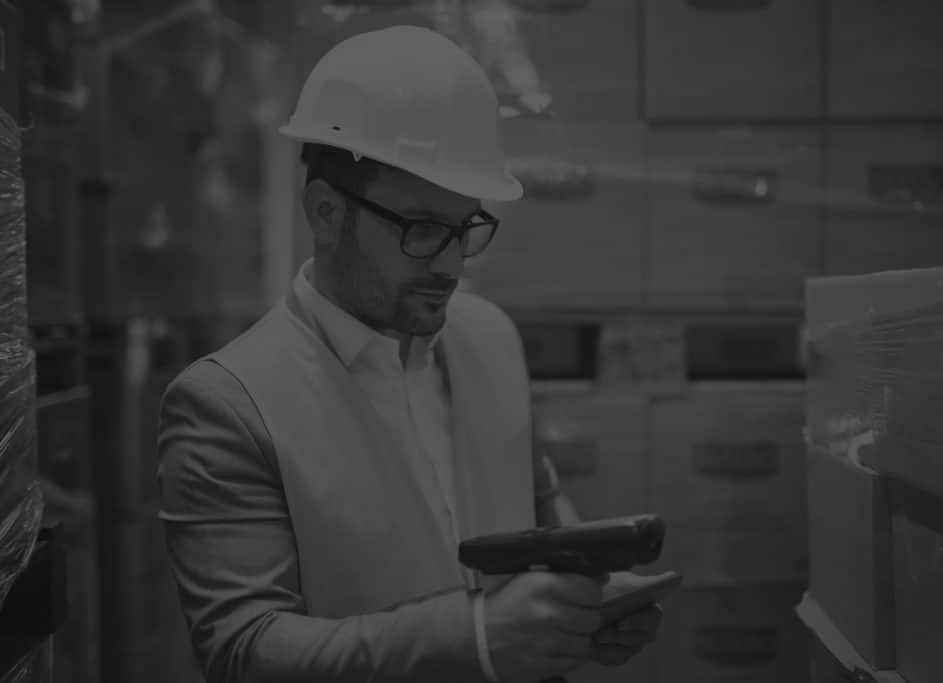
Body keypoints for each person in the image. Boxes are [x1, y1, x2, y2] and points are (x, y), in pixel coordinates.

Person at [157, 25, 662, 683]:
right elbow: (245, 649)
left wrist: (588, 598)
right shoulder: (227, 405)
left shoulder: (490, 339)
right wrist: (475, 637)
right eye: (423, 229)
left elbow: (535, 512)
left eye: (465, 228)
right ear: (325, 211)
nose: (452, 262)